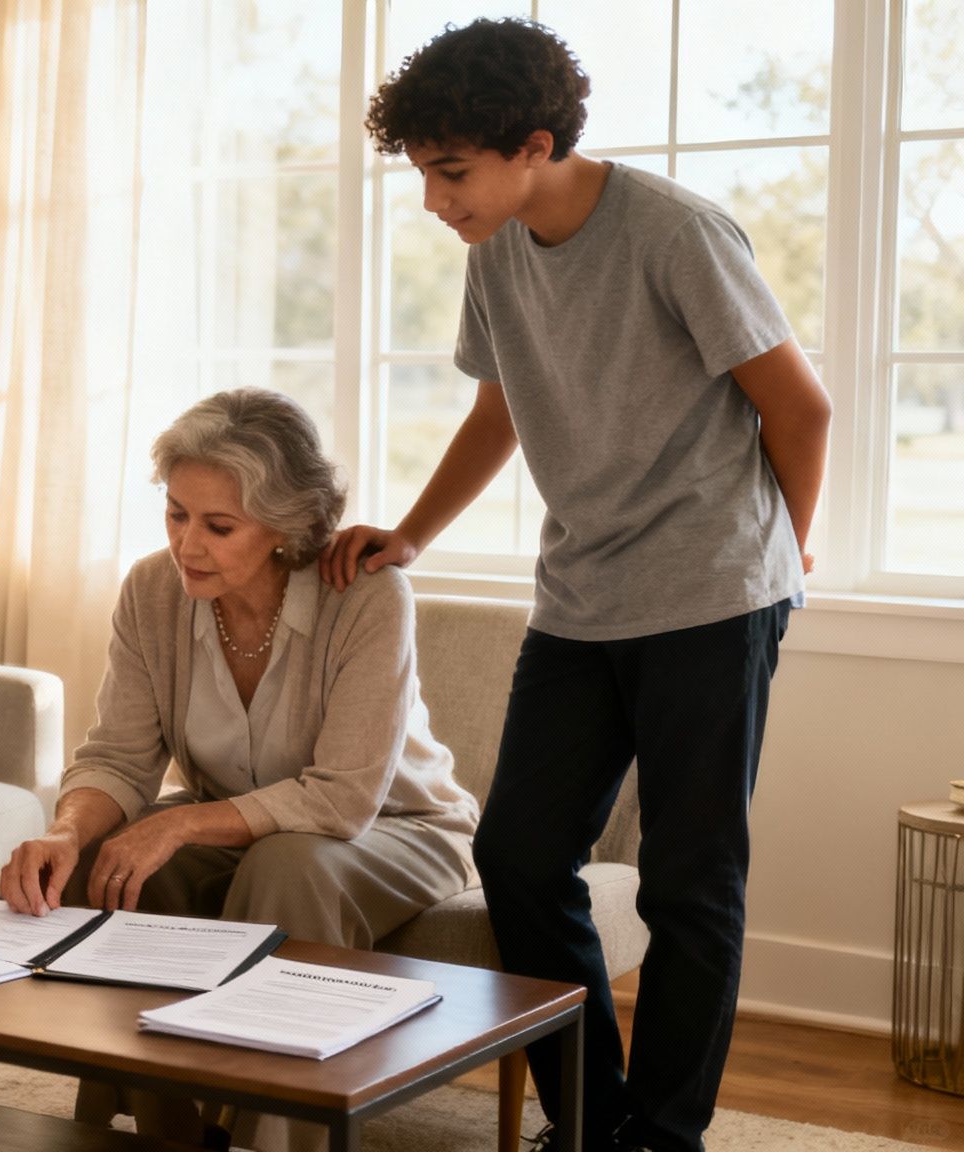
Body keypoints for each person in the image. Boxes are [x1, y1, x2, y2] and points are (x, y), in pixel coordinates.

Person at [328, 18, 833, 1152]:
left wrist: (777, 562)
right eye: (420, 172)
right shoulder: (494, 249)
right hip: (580, 599)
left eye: (448, 172)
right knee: (515, 854)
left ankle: (660, 1135)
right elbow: (497, 411)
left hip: (712, 596)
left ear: (533, 145)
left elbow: (798, 408)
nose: (431, 200)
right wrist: (407, 533)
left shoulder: (675, 234)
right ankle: (590, 1118)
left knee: (688, 881)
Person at [1, 387, 479, 1151]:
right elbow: (119, 759)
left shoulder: (368, 594)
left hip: (397, 828)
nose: (188, 544)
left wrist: (180, 822)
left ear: (286, 528)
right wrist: (63, 832)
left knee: (289, 864)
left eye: (219, 526)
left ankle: (276, 1137)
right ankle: (164, 1129)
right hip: (240, 824)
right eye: (176, 514)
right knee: (110, 857)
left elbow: (346, 796)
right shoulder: (152, 589)